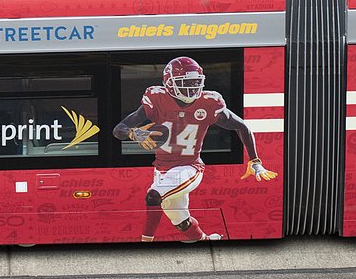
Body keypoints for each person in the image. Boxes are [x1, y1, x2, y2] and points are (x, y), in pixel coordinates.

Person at [112, 56, 277, 243]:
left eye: (195, 82)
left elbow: (242, 126)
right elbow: (119, 130)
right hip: (162, 170)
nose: (192, 87)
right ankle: (205, 240)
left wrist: (255, 161)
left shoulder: (208, 102)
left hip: (189, 167)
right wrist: (133, 133)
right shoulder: (157, 99)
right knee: (181, 221)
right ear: (169, 83)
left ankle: (145, 242)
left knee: (153, 196)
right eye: (185, 82)